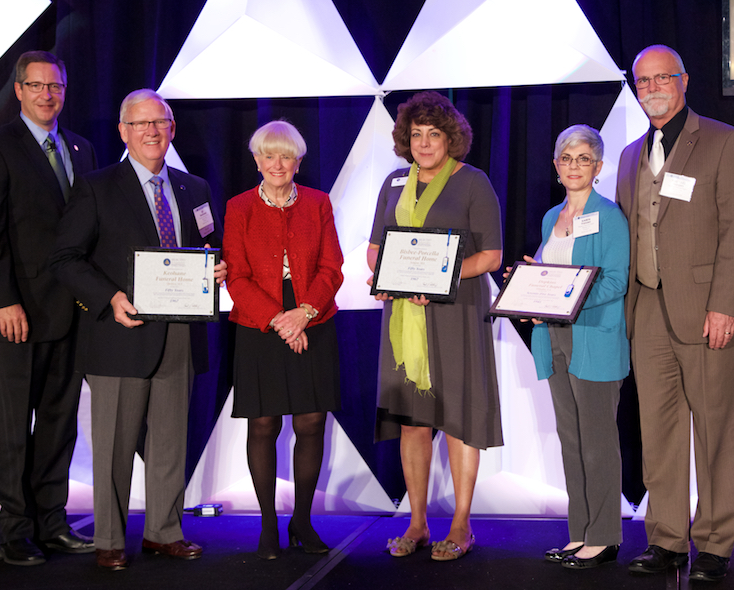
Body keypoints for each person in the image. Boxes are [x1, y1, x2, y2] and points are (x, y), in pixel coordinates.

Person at [49, 88, 227, 570]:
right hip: (119, 333)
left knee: (171, 441)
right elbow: (65, 258)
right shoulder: (96, 187)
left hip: (180, 334)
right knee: (113, 447)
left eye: (160, 122)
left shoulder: (196, 189)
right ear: (123, 132)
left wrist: (217, 269)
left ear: (172, 129)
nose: (151, 131)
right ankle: (109, 538)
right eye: (140, 123)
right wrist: (109, 297)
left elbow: (212, 247)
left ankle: (163, 532)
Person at [615, 45, 734, 582]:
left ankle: (715, 543)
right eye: (643, 81)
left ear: (685, 80)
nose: (652, 88)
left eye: (662, 78)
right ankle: (667, 538)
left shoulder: (722, 140)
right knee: (660, 430)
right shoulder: (628, 156)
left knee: (715, 429)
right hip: (646, 308)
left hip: (706, 311)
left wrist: (725, 306)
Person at [0, 50, 97, 566]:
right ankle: (14, 532)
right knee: (16, 424)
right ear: (18, 90)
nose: (47, 95)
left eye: (56, 87)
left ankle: (53, 522)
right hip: (18, 313)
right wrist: (3, 301)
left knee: (60, 424)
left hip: (74, 311)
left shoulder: (81, 148)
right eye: (37, 86)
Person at [367, 91, 503, 561]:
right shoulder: (392, 182)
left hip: (456, 315)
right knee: (413, 422)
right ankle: (418, 522)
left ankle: (461, 525)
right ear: (406, 138)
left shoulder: (473, 182)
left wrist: (440, 276)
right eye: (417, 134)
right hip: (405, 317)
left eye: (434, 134)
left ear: (451, 138)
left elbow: (491, 255)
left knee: (461, 419)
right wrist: (383, 276)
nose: (424, 143)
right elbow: (374, 247)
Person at [222, 121, 343, 560]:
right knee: (265, 423)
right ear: (256, 160)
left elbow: (333, 266)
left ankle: (303, 521)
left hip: (313, 315)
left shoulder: (319, 203)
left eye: (286, 155)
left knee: (311, 422)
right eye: (268, 155)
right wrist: (279, 320)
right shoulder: (238, 207)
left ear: (298, 161)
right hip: (260, 322)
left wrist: (303, 313)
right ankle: (269, 525)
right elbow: (236, 275)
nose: (277, 164)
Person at [524, 125, 629, 569]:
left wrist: (565, 295)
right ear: (555, 165)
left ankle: (604, 537)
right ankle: (579, 531)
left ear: (599, 167)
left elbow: (615, 280)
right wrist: (530, 288)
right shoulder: (552, 218)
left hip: (594, 337)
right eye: (566, 158)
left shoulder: (610, 216)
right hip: (553, 338)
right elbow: (547, 274)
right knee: (571, 440)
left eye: (583, 158)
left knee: (598, 443)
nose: (574, 166)